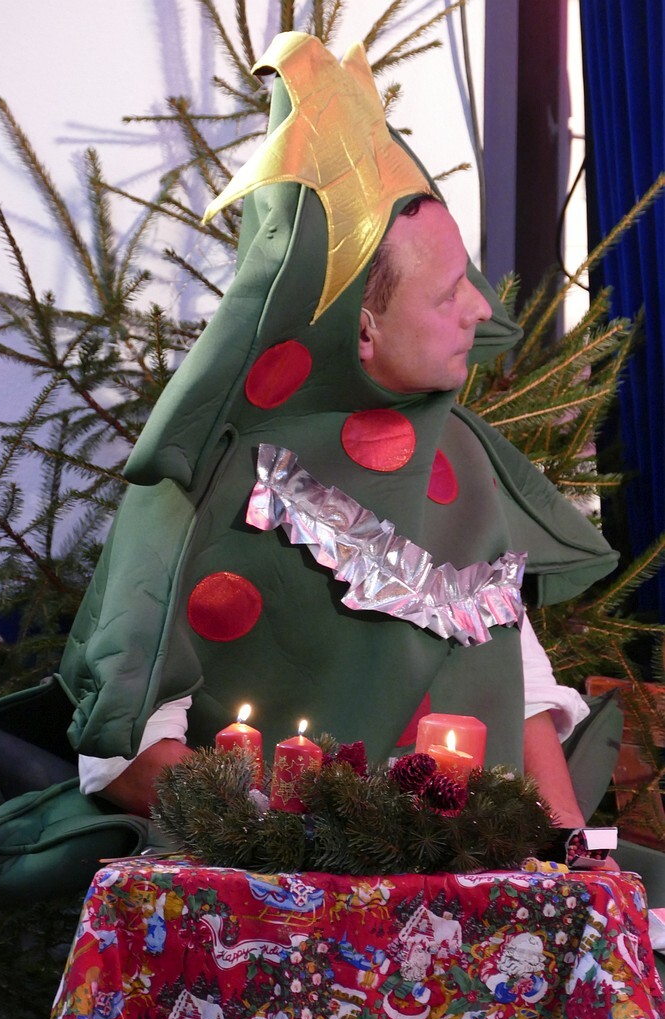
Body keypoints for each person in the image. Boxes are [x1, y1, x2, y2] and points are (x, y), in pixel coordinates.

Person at [77, 192, 605, 842]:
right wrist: (318, 845)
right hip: (277, 876)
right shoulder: (201, 479)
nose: (479, 308)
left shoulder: (461, 455)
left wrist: (571, 848)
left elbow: (515, 681)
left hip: (475, 866)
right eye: (447, 294)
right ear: (361, 329)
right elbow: (125, 758)